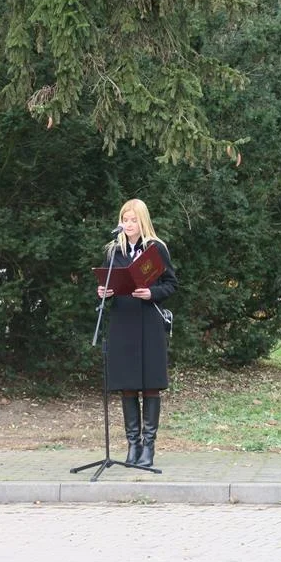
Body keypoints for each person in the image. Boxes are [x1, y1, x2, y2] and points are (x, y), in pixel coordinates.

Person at [96, 198, 177, 468]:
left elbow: (171, 284)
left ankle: (149, 447)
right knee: (128, 384)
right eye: (125, 220)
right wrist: (103, 291)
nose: (128, 225)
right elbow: (107, 281)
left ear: (142, 221)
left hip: (148, 321)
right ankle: (133, 445)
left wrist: (151, 292)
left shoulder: (156, 249)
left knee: (150, 383)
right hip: (123, 321)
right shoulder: (113, 250)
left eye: (133, 220)